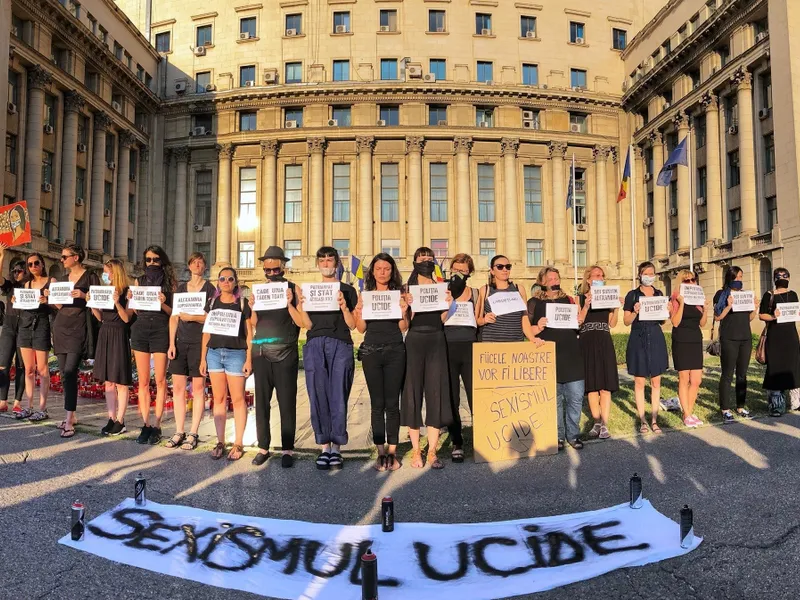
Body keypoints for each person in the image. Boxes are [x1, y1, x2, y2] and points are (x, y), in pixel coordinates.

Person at [295, 247, 357, 470]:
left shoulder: (348, 290)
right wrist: (301, 306)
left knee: (338, 394)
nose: (326, 263)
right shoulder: (310, 291)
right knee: (317, 394)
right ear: (317, 264)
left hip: (341, 343)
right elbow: (307, 325)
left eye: (330, 259)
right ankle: (324, 446)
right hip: (314, 343)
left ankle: (337, 448)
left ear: (337, 263)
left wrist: (343, 307)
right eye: (322, 259)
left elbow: (352, 325)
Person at [354, 253, 409, 472]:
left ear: (392, 271)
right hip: (371, 352)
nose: (383, 272)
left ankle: (393, 452)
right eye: (379, 269)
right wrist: (359, 312)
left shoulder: (399, 295)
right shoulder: (366, 295)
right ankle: (380, 452)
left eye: (387, 268)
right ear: (373, 272)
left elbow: (404, 327)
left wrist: (404, 312)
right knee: (377, 404)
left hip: (396, 350)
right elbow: (360, 328)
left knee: (392, 404)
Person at [250, 246, 303, 468]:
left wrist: (290, 303)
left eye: (275, 268)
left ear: (283, 266)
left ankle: (288, 449)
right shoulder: (259, 291)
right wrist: (252, 307)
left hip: (285, 351)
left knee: (286, 403)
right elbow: (254, 324)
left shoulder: (294, 289)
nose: (272, 272)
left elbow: (302, 322)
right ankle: (263, 447)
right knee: (261, 403)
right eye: (268, 269)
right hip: (261, 351)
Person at [402, 247, 452, 470]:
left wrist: (448, 306)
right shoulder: (406, 288)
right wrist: (406, 306)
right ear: (414, 262)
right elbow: (405, 322)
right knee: (412, 393)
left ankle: (432, 451)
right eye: (422, 258)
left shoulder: (440, 287)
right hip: (414, 339)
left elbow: (442, 319)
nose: (426, 261)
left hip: (436, 339)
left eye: (430, 258)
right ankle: (416, 449)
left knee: (436, 393)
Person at [527, 267, 585, 450]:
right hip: (548, 357)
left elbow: (578, 327)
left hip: (572, 355)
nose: (553, 280)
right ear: (542, 282)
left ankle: (573, 435)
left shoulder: (568, 300)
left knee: (576, 397)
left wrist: (581, 314)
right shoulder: (533, 302)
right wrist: (537, 326)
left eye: (556, 277)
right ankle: (558, 436)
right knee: (555, 400)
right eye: (549, 278)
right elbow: (528, 332)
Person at [200, 267, 253, 461]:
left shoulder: (242, 303)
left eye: (230, 279)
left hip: (236, 354)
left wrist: (249, 358)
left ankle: (238, 442)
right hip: (214, 353)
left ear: (235, 282)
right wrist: (202, 358)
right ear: (218, 282)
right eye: (222, 278)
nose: (226, 282)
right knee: (219, 399)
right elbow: (206, 332)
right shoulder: (212, 302)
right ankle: (220, 441)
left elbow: (249, 334)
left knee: (238, 400)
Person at [47, 244, 99, 439]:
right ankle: (71, 414)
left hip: (79, 328)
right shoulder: (62, 280)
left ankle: (68, 419)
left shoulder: (90, 277)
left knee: (70, 371)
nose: (62, 260)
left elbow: (100, 300)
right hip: (61, 326)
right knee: (63, 373)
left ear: (76, 257)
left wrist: (85, 296)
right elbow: (60, 306)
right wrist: (51, 298)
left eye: (64, 257)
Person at [167, 252, 215, 451]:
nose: (197, 265)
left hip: (199, 342)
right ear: (189, 266)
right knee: (178, 389)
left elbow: (211, 317)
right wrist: (171, 343)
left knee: (197, 389)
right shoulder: (181, 289)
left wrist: (193, 317)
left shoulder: (210, 289)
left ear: (204, 267)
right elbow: (174, 317)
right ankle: (179, 431)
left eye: (201, 262)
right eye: (194, 262)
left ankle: (193, 432)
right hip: (180, 342)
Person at [130, 245, 175, 445]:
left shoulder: (170, 283)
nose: (151, 263)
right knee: (143, 382)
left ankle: (157, 425)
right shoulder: (138, 281)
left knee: (161, 381)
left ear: (162, 261)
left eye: (155, 259)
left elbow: (174, 313)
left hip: (160, 330)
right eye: (148, 260)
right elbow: (136, 311)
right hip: (140, 330)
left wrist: (163, 302)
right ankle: (145, 425)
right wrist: (132, 299)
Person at [623, 261, 670, 434]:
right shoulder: (632, 295)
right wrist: (635, 311)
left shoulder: (659, 294)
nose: (649, 276)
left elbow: (663, 321)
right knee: (639, 381)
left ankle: (655, 420)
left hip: (655, 336)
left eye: (652, 273)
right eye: (646, 273)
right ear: (640, 275)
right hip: (638, 337)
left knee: (656, 381)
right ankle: (643, 420)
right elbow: (626, 321)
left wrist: (667, 310)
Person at [90, 259, 133, 435]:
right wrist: (92, 304)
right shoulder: (104, 291)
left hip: (119, 334)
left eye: (106, 272)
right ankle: (111, 417)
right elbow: (99, 317)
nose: (104, 275)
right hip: (105, 332)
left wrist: (117, 302)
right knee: (108, 381)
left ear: (115, 272)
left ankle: (121, 420)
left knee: (120, 381)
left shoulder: (127, 292)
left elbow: (126, 318)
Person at [444, 253, 479, 463]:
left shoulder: (475, 293)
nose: (458, 274)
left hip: (470, 348)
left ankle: (481, 439)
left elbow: (479, 319)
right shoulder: (444, 291)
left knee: (476, 397)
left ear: (469, 273)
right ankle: (457, 441)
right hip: (448, 347)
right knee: (452, 398)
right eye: (455, 270)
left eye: (463, 271)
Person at [577, 265, 618, 440]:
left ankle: (605, 424)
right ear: (588, 279)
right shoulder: (579, 299)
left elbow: (613, 324)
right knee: (592, 385)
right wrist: (586, 305)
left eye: (601, 275)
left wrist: (616, 308)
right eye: (595, 275)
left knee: (604, 385)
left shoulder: (608, 298)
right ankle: (596, 423)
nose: (599, 278)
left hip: (604, 340)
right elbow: (578, 322)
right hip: (587, 341)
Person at [714, 266, 757, 423]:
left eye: (741, 277)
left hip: (745, 338)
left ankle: (740, 406)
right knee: (727, 374)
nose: (739, 280)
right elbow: (718, 317)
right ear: (730, 278)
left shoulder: (745, 295)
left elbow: (749, 318)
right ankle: (725, 409)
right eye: (737, 277)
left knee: (742, 374)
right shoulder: (721, 294)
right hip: (729, 339)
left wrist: (755, 307)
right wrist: (728, 306)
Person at [14, 252, 51, 421]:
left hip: (41, 325)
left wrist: (48, 300)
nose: (33, 266)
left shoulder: (52, 282)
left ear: (42, 264)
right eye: (30, 264)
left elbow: (59, 305)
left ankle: (42, 409)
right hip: (26, 326)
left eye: (36, 263)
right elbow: (22, 305)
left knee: (43, 369)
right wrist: (17, 300)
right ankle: (28, 406)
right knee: (28, 369)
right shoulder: (26, 284)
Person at [759, 268, 800, 417]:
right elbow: (761, 316)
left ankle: (796, 403)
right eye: (778, 275)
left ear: (789, 277)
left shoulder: (793, 294)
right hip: (775, 337)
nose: (781, 278)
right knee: (775, 368)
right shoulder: (768, 295)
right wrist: (773, 316)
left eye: (784, 275)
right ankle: (776, 406)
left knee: (794, 367)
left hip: (791, 337)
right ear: (774, 278)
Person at [670, 270, 709, 428]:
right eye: (687, 280)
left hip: (695, 339)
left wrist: (705, 309)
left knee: (696, 380)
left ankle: (689, 412)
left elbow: (703, 323)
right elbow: (675, 322)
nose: (691, 282)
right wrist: (682, 303)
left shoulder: (698, 298)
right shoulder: (675, 297)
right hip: (681, 339)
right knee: (684, 378)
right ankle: (686, 414)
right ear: (681, 282)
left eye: (693, 279)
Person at [477, 255, 527, 342]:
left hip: (516, 343)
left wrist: (533, 338)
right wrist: (485, 320)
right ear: (492, 271)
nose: (505, 270)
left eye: (508, 267)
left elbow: (525, 319)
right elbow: (478, 320)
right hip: (491, 344)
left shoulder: (519, 289)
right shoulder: (485, 290)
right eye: (500, 267)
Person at [0, 247, 26, 415]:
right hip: (9, 327)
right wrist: (1, 257)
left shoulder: (30, 286)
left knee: (21, 366)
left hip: (24, 328)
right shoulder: (9, 286)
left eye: (20, 270)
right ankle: (2, 401)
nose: (17, 273)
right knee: (3, 364)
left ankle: (17, 401)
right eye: (14, 271)